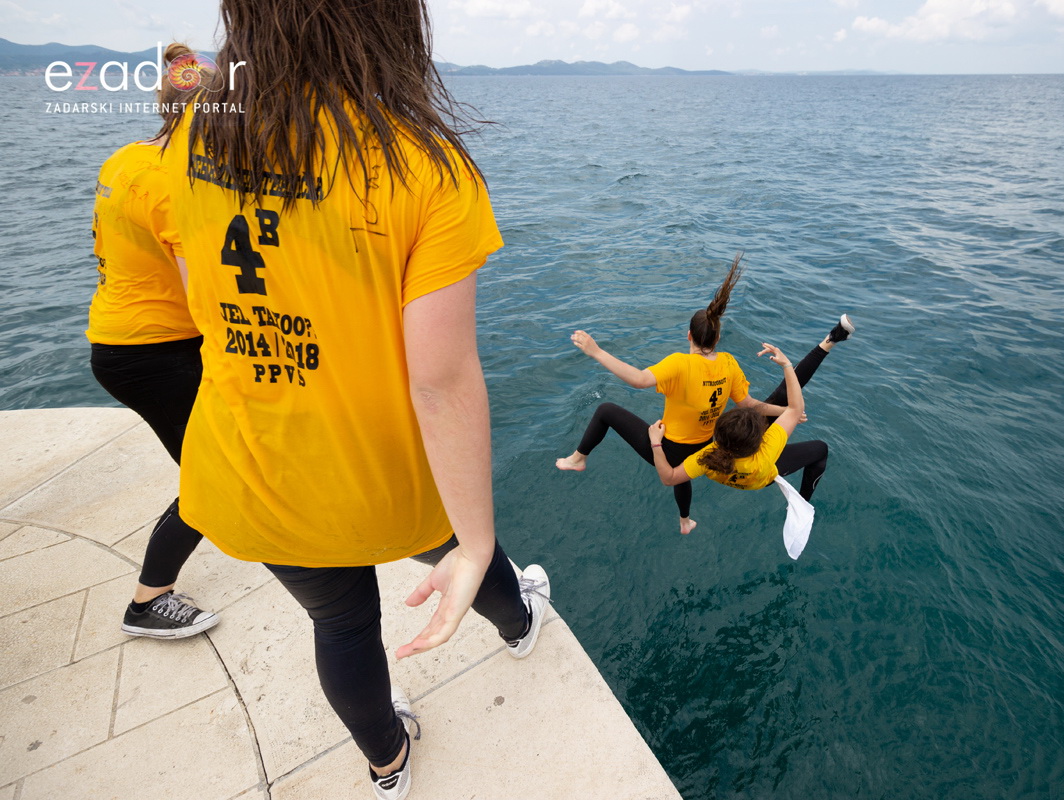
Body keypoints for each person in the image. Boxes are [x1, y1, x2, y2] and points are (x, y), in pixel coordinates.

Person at [159, 1, 550, 797]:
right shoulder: (421, 166)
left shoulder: (196, 133)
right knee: (463, 557)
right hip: (384, 474)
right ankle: (520, 625)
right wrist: (477, 539)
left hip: (252, 463)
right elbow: (440, 379)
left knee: (339, 623)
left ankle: (387, 764)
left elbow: (201, 299)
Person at [556, 254, 852, 534]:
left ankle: (579, 459)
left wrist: (596, 351)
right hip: (711, 442)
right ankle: (827, 343)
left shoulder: (679, 364)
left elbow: (639, 380)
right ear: (718, 338)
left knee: (607, 411)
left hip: (677, 449)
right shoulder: (728, 363)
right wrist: (787, 413)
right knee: (781, 395)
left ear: (689, 336)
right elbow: (749, 404)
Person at [87, 42, 219, 640]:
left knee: (213, 461)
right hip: (156, 352)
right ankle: (148, 601)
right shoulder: (174, 184)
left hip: (121, 338)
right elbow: (206, 299)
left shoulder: (127, 160)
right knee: (211, 475)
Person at [649, 342, 830, 502]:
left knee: (780, 397)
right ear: (761, 439)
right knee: (821, 449)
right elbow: (796, 408)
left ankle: (828, 343)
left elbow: (669, 478)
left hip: (737, 471)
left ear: (719, 435)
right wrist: (786, 365)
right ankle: (804, 500)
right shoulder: (766, 452)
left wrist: (656, 443)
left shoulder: (708, 456)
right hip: (763, 476)